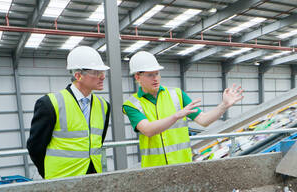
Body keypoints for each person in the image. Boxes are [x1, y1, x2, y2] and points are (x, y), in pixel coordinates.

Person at [123, 51, 243, 168]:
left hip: (183, 166)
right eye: (150, 75)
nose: (155, 78)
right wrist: (176, 116)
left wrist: (224, 105)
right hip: (154, 170)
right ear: (138, 77)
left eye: (157, 73)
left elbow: (203, 120)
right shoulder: (132, 104)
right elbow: (148, 130)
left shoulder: (177, 94)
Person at [27, 46, 111, 179]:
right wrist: (49, 173)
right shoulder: (50, 104)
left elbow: (98, 141)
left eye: (102, 72)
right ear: (78, 76)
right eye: (96, 72)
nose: (102, 77)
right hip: (61, 178)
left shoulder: (104, 106)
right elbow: (35, 147)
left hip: (94, 177)